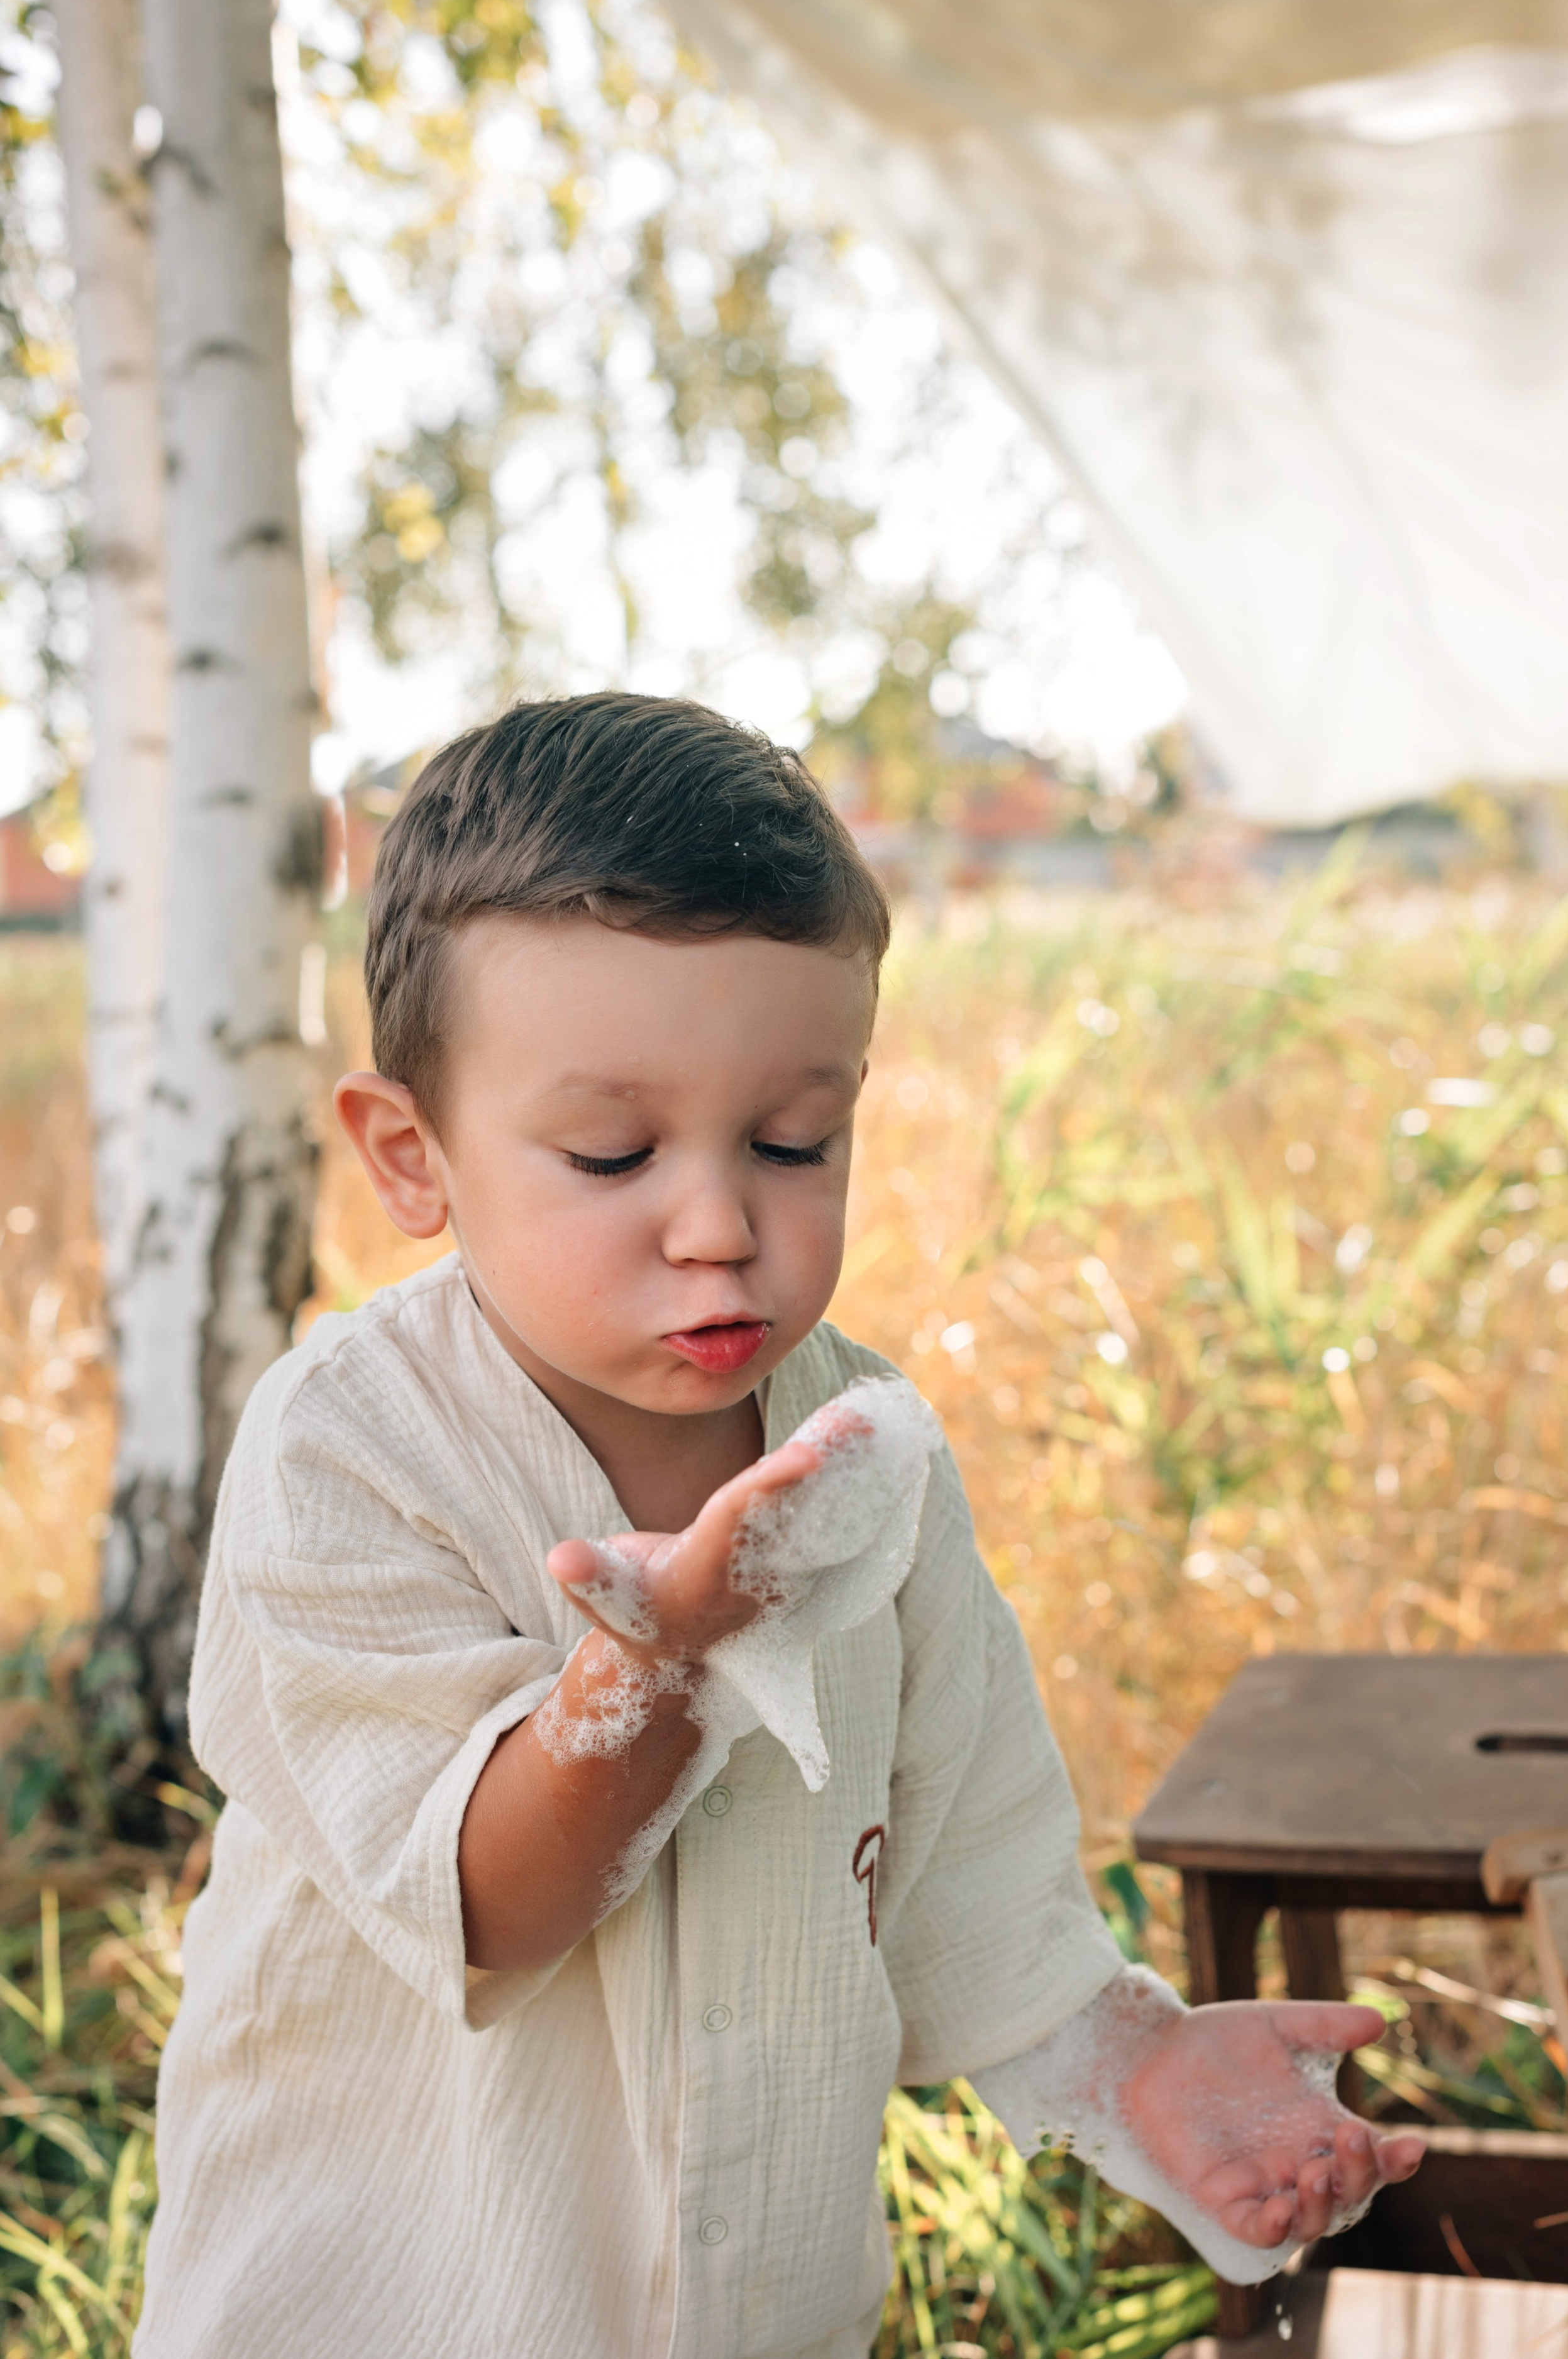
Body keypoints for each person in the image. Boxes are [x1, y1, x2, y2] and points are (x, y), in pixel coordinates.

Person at [135, 694, 1421, 2359]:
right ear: (412, 1154)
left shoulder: (864, 1451)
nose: (719, 1223)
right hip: (388, 2311)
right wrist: (657, 1677)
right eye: (613, 1153)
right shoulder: (354, 1443)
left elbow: (968, 1862)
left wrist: (1133, 2058)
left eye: (793, 1140)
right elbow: (488, 1906)